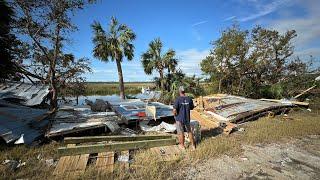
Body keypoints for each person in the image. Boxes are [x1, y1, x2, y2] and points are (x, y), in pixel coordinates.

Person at [173, 86, 196, 150]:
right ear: (184, 91)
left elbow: (174, 110)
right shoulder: (189, 99)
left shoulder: (178, 99)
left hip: (179, 119)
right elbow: (191, 107)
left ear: (179, 91)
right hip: (187, 118)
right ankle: (193, 145)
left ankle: (182, 146)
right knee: (189, 131)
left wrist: (175, 115)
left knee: (181, 132)